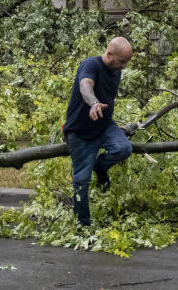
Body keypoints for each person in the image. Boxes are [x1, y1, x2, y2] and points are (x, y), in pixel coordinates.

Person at [63, 37, 134, 227]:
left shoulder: (116, 71)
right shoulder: (90, 64)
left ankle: (100, 167)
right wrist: (94, 103)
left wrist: (111, 125)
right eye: (122, 62)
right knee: (81, 181)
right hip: (80, 132)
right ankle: (83, 226)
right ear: (109, 54)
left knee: (124, 148)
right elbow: (85, 86)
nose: (124, 67)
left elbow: (107, 97)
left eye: (126, 62)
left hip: (104, 126)